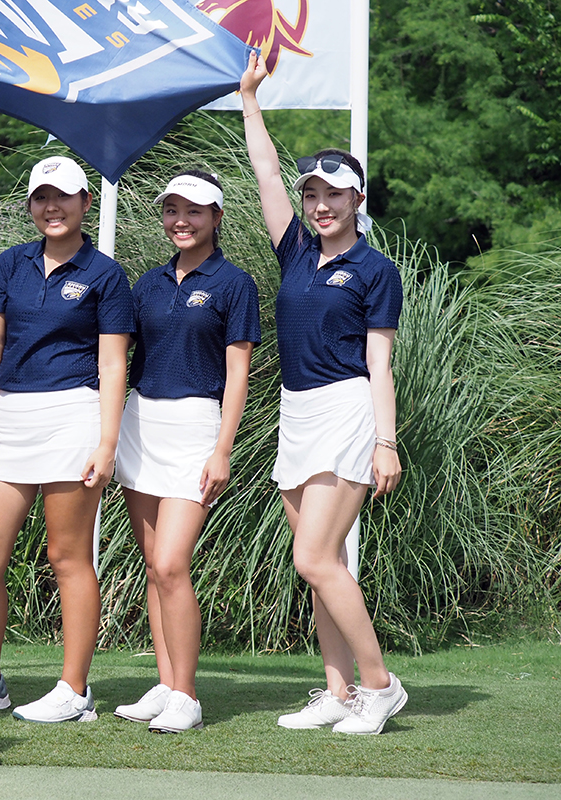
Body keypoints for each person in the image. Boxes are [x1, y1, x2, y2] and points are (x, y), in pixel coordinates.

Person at [241, 52, 407, 735]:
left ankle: (380, 686)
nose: (320, 205)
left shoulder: (376, 269)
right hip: (297, 410)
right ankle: (337, 692)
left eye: (334, 195)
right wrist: (250, 100)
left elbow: (380, 363)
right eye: (313, 195)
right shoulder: (296, 253)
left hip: (346, 409)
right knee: (324, 565)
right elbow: (265, 172)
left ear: (357, 200)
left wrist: (386, 441)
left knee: (312, 556)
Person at [0, 156, 132, 722]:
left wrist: (107, 443)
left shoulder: (105, 273)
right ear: (31, 204)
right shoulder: (10, 264)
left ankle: (75, 689)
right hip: (11, 417)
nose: (51, 207)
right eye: (41, 197)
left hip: (74, 415)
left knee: (67, 555)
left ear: (86, 203)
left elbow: (113, 365)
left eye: (63, 196)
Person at [111, 171, 260, 733]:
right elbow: (121, 361)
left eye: (195, 211)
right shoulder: (147, 284)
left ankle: (188, 696)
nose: (182, 220)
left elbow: (238, 371)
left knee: (173, 563)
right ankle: (167, 681)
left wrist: (223, 446)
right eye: (172, 209)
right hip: (141, 424)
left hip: (198, 425)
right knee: (154, 567)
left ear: (217, 217)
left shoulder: (234, 283)